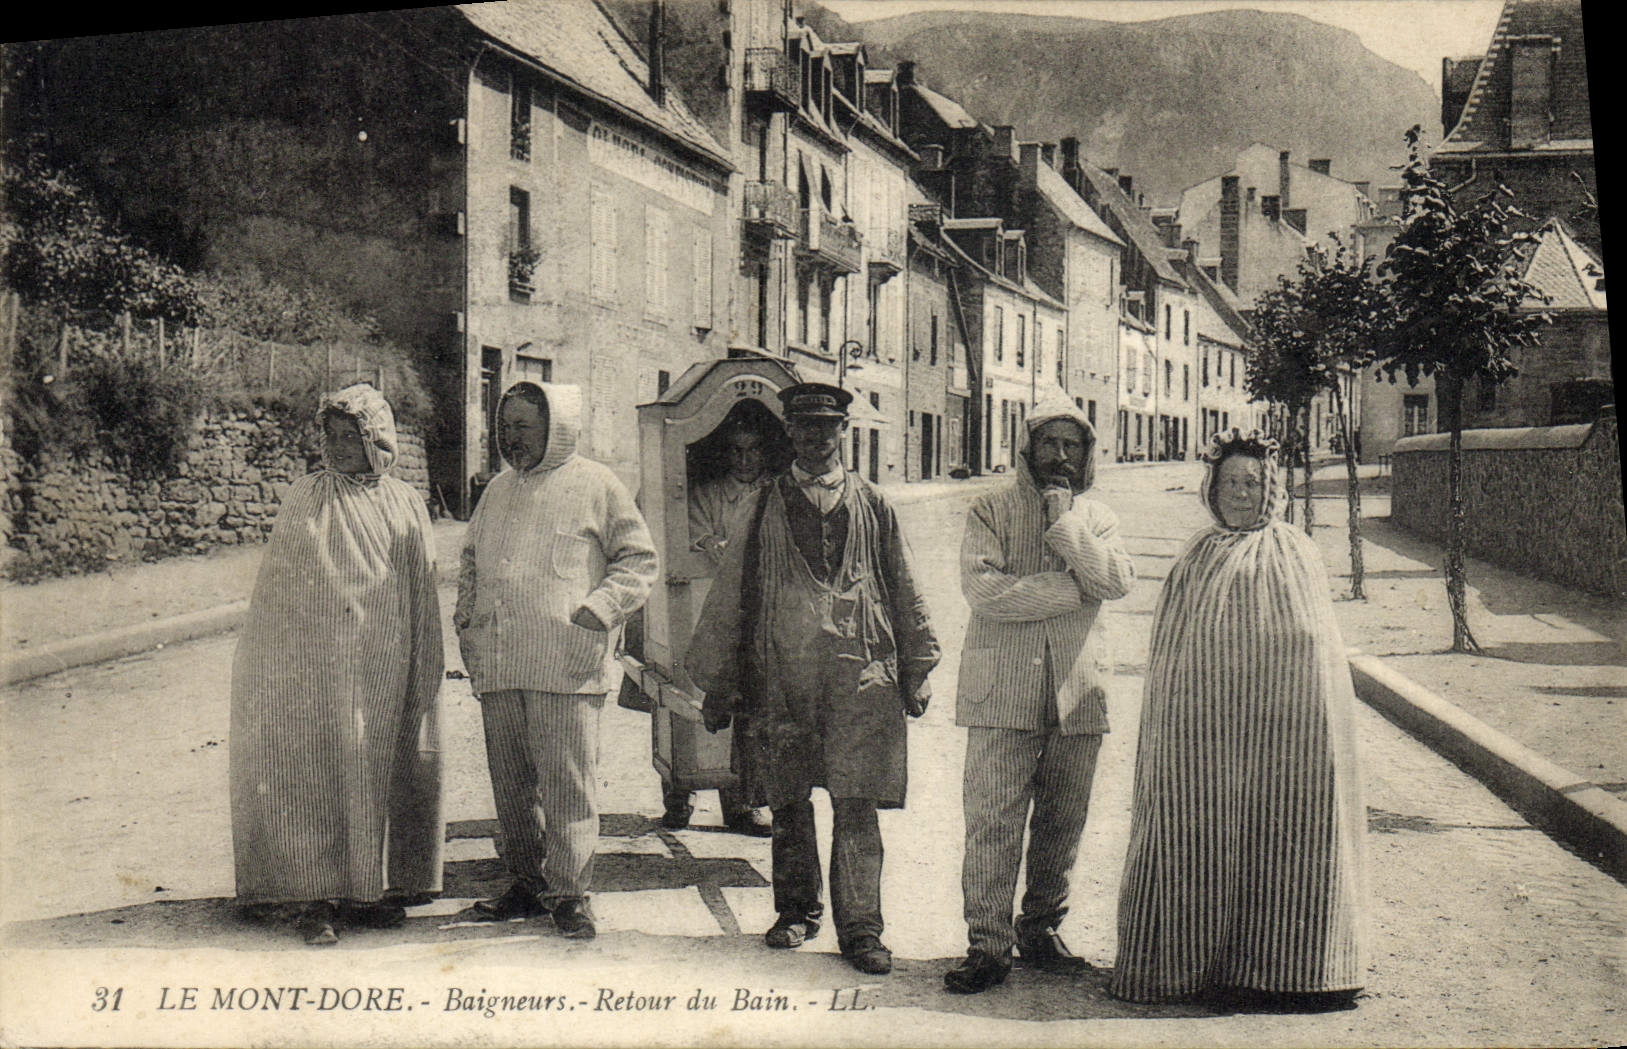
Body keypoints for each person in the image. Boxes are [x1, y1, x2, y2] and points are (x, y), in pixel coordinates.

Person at [686, 382, 940, 977]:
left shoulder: (874, 503)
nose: (816, 439)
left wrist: (918, 667)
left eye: (827, 428)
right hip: (784, 675)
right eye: (804, 428)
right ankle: (796, 912)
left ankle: (862, 929)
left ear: (841, 433)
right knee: (790, 800)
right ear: (791, 434)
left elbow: (903, 585)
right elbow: (730, 596)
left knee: (856, 802)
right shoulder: (763, 503)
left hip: (861, 674)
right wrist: (720, 683)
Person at [1109, 429, 1367, 1011]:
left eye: (1253, 483)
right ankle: (1201, 963)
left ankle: (1286, 970)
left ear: (1271, 487)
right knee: (1197, 832)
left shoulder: (1295, 550)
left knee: (1281, 832)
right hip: (1204, 732)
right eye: (1230, 483)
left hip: (1283, 732)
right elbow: (1173, 654)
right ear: (1211, 488)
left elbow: (1314, 647)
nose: (1241, 494)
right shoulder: (1196, 555)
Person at [230, 383, 444, 946]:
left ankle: (363, 891)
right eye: (332, 436)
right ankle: (311, 895)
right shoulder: (308, 495)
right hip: (315, 663)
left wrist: (425, 661)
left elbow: (422, 587)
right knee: (315, 770)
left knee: (371, 769)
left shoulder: (406, 501)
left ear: (378, 439)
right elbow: (280, 589)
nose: (340, 446)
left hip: (384, 659)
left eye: (353, 436)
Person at [944, 391, 1136, 994]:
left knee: (1062, 821)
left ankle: (1041, 929)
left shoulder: (1096, 517)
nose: (1060, 455)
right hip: (1002, 693)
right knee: (993, 821)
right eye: (1049, 443)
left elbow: (1115, 580)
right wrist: (1070, 590)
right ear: (1026, 448)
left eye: (1072, 445)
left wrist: (1065, 525)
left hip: (1077, 697)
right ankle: (987, 944)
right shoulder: (991, 509)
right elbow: (985, 593)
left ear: (1087, 455)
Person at [455, 380, 658, 941]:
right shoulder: (497, 489)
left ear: (556, 429)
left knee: (568, 785)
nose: (509, 438)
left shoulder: (596, 485)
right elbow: (470, 562)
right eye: (504, 426)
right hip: (501, 662)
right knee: (512, 784)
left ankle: (569, 893)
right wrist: (468, 624)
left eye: (522, 426)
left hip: (566, 662)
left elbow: (638, 559)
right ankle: (525, 882)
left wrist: (601, 608)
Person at [661, 417, 775, 836]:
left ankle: (741, 803)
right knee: (690, 692)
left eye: (754, 450)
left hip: (759, 614)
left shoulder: (778, 493)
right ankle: (680, 791)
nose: (745, 460)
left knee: (746, 703)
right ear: (724, 454)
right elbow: (687, 533)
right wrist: (710, 543)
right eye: (736, 451)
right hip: (701, 606)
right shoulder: (706, 496)